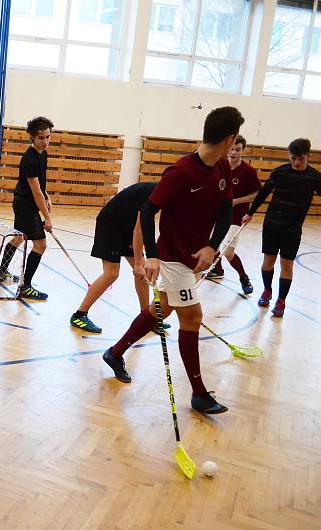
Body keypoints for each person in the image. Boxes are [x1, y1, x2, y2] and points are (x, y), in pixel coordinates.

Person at [102, 106, 245, 416]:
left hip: (194, 258)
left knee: (162, 308)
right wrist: (151, 256)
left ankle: (115, 352)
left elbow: (225, 209)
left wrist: (211, 246)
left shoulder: (222, 170)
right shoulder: (181, 172)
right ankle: (198, 393)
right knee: (192, 318)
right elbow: (147, 210)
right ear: (229, 138)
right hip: (173, 258)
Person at [243, 138, 321, 317]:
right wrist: (250, 212)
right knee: (268, 262)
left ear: (308, 156)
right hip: (272, 225)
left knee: (287, 265)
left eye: (301, 159)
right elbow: (263, 194)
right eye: (293, 158)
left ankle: (281, 301)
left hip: (293, 229)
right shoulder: (279, 173)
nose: (296, 163)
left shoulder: (315, 177)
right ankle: (267, 290)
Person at [69, 182, 155, 334]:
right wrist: (139, 263)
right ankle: (79, 315)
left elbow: (144, 227)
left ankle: (145, 317)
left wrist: (141, 262)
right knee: (112, 273)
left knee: (142, 272)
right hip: (110, 224)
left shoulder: (164, 193)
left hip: (126, 226)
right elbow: (139, 231)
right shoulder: (155, 193)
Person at [0, 116, 53, 300]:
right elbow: (35, 193)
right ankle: (26, 286)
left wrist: (47, 196)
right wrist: (47, 217)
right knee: (40, 245)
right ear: (32, 138)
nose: (45, 141)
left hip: (24, 203)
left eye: (48, 137)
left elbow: (40, 186)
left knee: (20, 237)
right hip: (26, 206)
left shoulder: (43, 154)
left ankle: (2, 272)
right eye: (41, 138)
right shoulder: (29, 159)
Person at [206, 135, 261, 295]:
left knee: (228, 252)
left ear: (243, 151)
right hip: (216, 214)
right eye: (232, 149)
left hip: (236, 216)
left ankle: (243, 277)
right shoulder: (219, 166)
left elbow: (257, 193)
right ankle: (218, 269)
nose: (234, 152)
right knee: (210, 244)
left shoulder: (248, 171)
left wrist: (236, 201)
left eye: (238, 149)